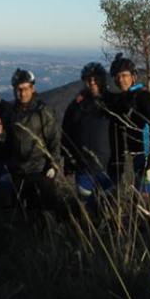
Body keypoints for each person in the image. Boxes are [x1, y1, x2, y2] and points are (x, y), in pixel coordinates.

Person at [109, 53, 150, 214]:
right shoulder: (128, 97)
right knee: (144, 194)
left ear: (133, 77)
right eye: (118, 76)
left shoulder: (143, 97)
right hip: (141, 156)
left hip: (149, 155)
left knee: (145, 196)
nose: (121, 80)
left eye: (125, 75)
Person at [0, 68, 61, 211]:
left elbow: (54, 139)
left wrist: (53, 165)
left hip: (40, 171)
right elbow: (7, 142)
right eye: (18, 89)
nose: (21, 93)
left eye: (25, 89)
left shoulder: (42, 111)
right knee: (21, 212)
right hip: (18, 172)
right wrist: (0, 136)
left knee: (44, 211)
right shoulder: (10, 112)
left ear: (32, 88)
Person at [61, 62, 114, 205]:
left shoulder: (113, 102)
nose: (92, 82)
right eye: (88, 79)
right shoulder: (76, 106)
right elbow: (66, 133)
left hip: (108, 168)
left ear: (102, 80)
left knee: (108, 209)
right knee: (86, 210)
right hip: (83, 168)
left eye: (95, 79)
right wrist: (68, 161)